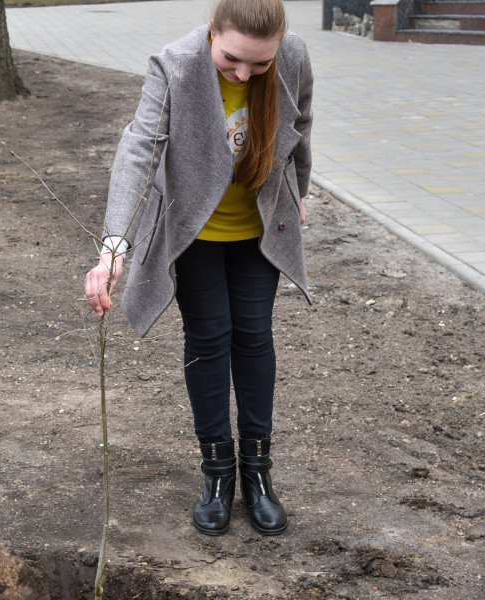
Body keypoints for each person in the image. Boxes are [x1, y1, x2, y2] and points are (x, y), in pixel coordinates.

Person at [83, 0, 313, 537]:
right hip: (197, 232)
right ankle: (217, 474)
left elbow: (302, 123)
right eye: (231, 59)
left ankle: (258, 474)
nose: (243, 74)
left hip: (258, 229)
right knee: (211, 338)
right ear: (212, 31)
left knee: (254, 336)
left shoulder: (295, 55)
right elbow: (138, 149)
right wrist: (113, 246)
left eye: (259, 65)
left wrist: (299, 191)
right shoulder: (176, 64)